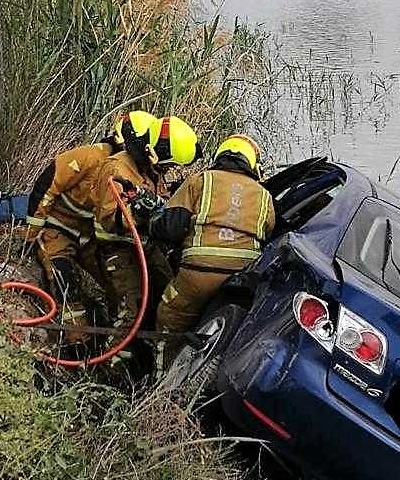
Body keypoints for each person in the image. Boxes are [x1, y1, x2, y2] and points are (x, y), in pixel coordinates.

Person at [150, 134, 275, 339]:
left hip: (198, 273)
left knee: (170, 316)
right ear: (252, 163)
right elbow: (268, 234)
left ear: (220, 156)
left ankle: (163, 357)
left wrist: (152, 220)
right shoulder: (265, 196)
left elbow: (171, 228)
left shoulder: (200, 180)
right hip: (241, 280)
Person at [26, 110, 159, 303]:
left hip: (91, 238)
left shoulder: (134, 171)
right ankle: (73, 319)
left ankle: (111, 317)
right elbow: (48, 184)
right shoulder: (91, 156)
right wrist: (31, 234)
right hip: (59, 228)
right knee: (63, 278)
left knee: (115, 283)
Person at [88, 115, 200, 343]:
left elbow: (160, 200)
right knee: (131, 312)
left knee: (169, 297)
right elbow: (110, 219)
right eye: (169, 165)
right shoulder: (117, 168)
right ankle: (115, 358)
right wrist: (143, 212)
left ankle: (154, 347)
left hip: (146, 247)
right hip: (118, 249)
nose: (168, 169)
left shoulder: (150, 169)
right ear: (156, 151)